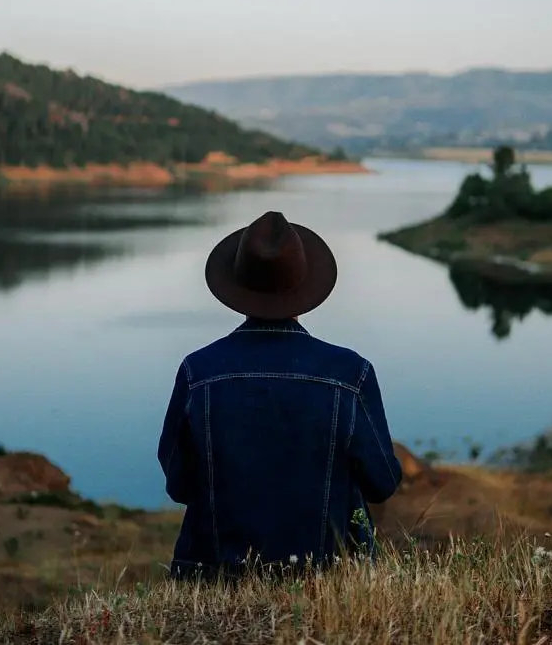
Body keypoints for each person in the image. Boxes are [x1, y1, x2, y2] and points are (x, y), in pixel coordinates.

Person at [158, 211, 402, 579]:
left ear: (236, 287)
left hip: (214, 575)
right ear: (304, 289)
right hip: (328, 576)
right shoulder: (351, 373)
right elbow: (382, 482)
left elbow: (179, 485)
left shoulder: (198, 372)